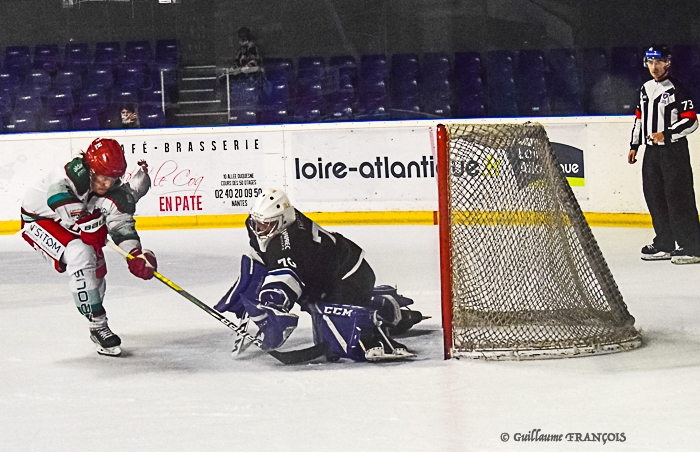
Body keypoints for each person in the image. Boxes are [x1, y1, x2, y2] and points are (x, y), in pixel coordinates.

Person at [215, 188, 424, 362]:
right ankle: (382, 307)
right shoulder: (269, 226)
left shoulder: (291, 241)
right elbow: (265, 258)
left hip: (350, 274)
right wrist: (249, 285)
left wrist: (272, 301)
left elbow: (285, 274)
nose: (259, 229)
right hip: (324, 274)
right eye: (257, 223)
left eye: (266, 225)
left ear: (283, 220)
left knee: (338, 340)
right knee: (316, 304)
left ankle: (384, 313)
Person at [20, 138, 157, 356]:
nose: (107, 185)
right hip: (40, 220)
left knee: (97, 269)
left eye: (113, 179)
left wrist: (135, 254)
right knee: (81, 254)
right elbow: (57, 196)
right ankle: (98, 324)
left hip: (69, 221)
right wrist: (89, 223)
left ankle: (95, 323)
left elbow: (121, 226)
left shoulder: (115, 192)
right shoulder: (69, 176)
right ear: (91, 170)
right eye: (102, 178)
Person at [628, 44, 700, 264]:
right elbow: (639, 119)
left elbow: (691, 121)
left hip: (673, 151)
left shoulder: (678, 88)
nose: (654, 66)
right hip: (652, 153)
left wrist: (666, 134)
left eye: (658, 61)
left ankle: (692, 247)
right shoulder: (645, 88)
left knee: (679, 198)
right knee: (655, 196)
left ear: (668, 62)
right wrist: (634, 145)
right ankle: (664, 243)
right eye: (650, 62)